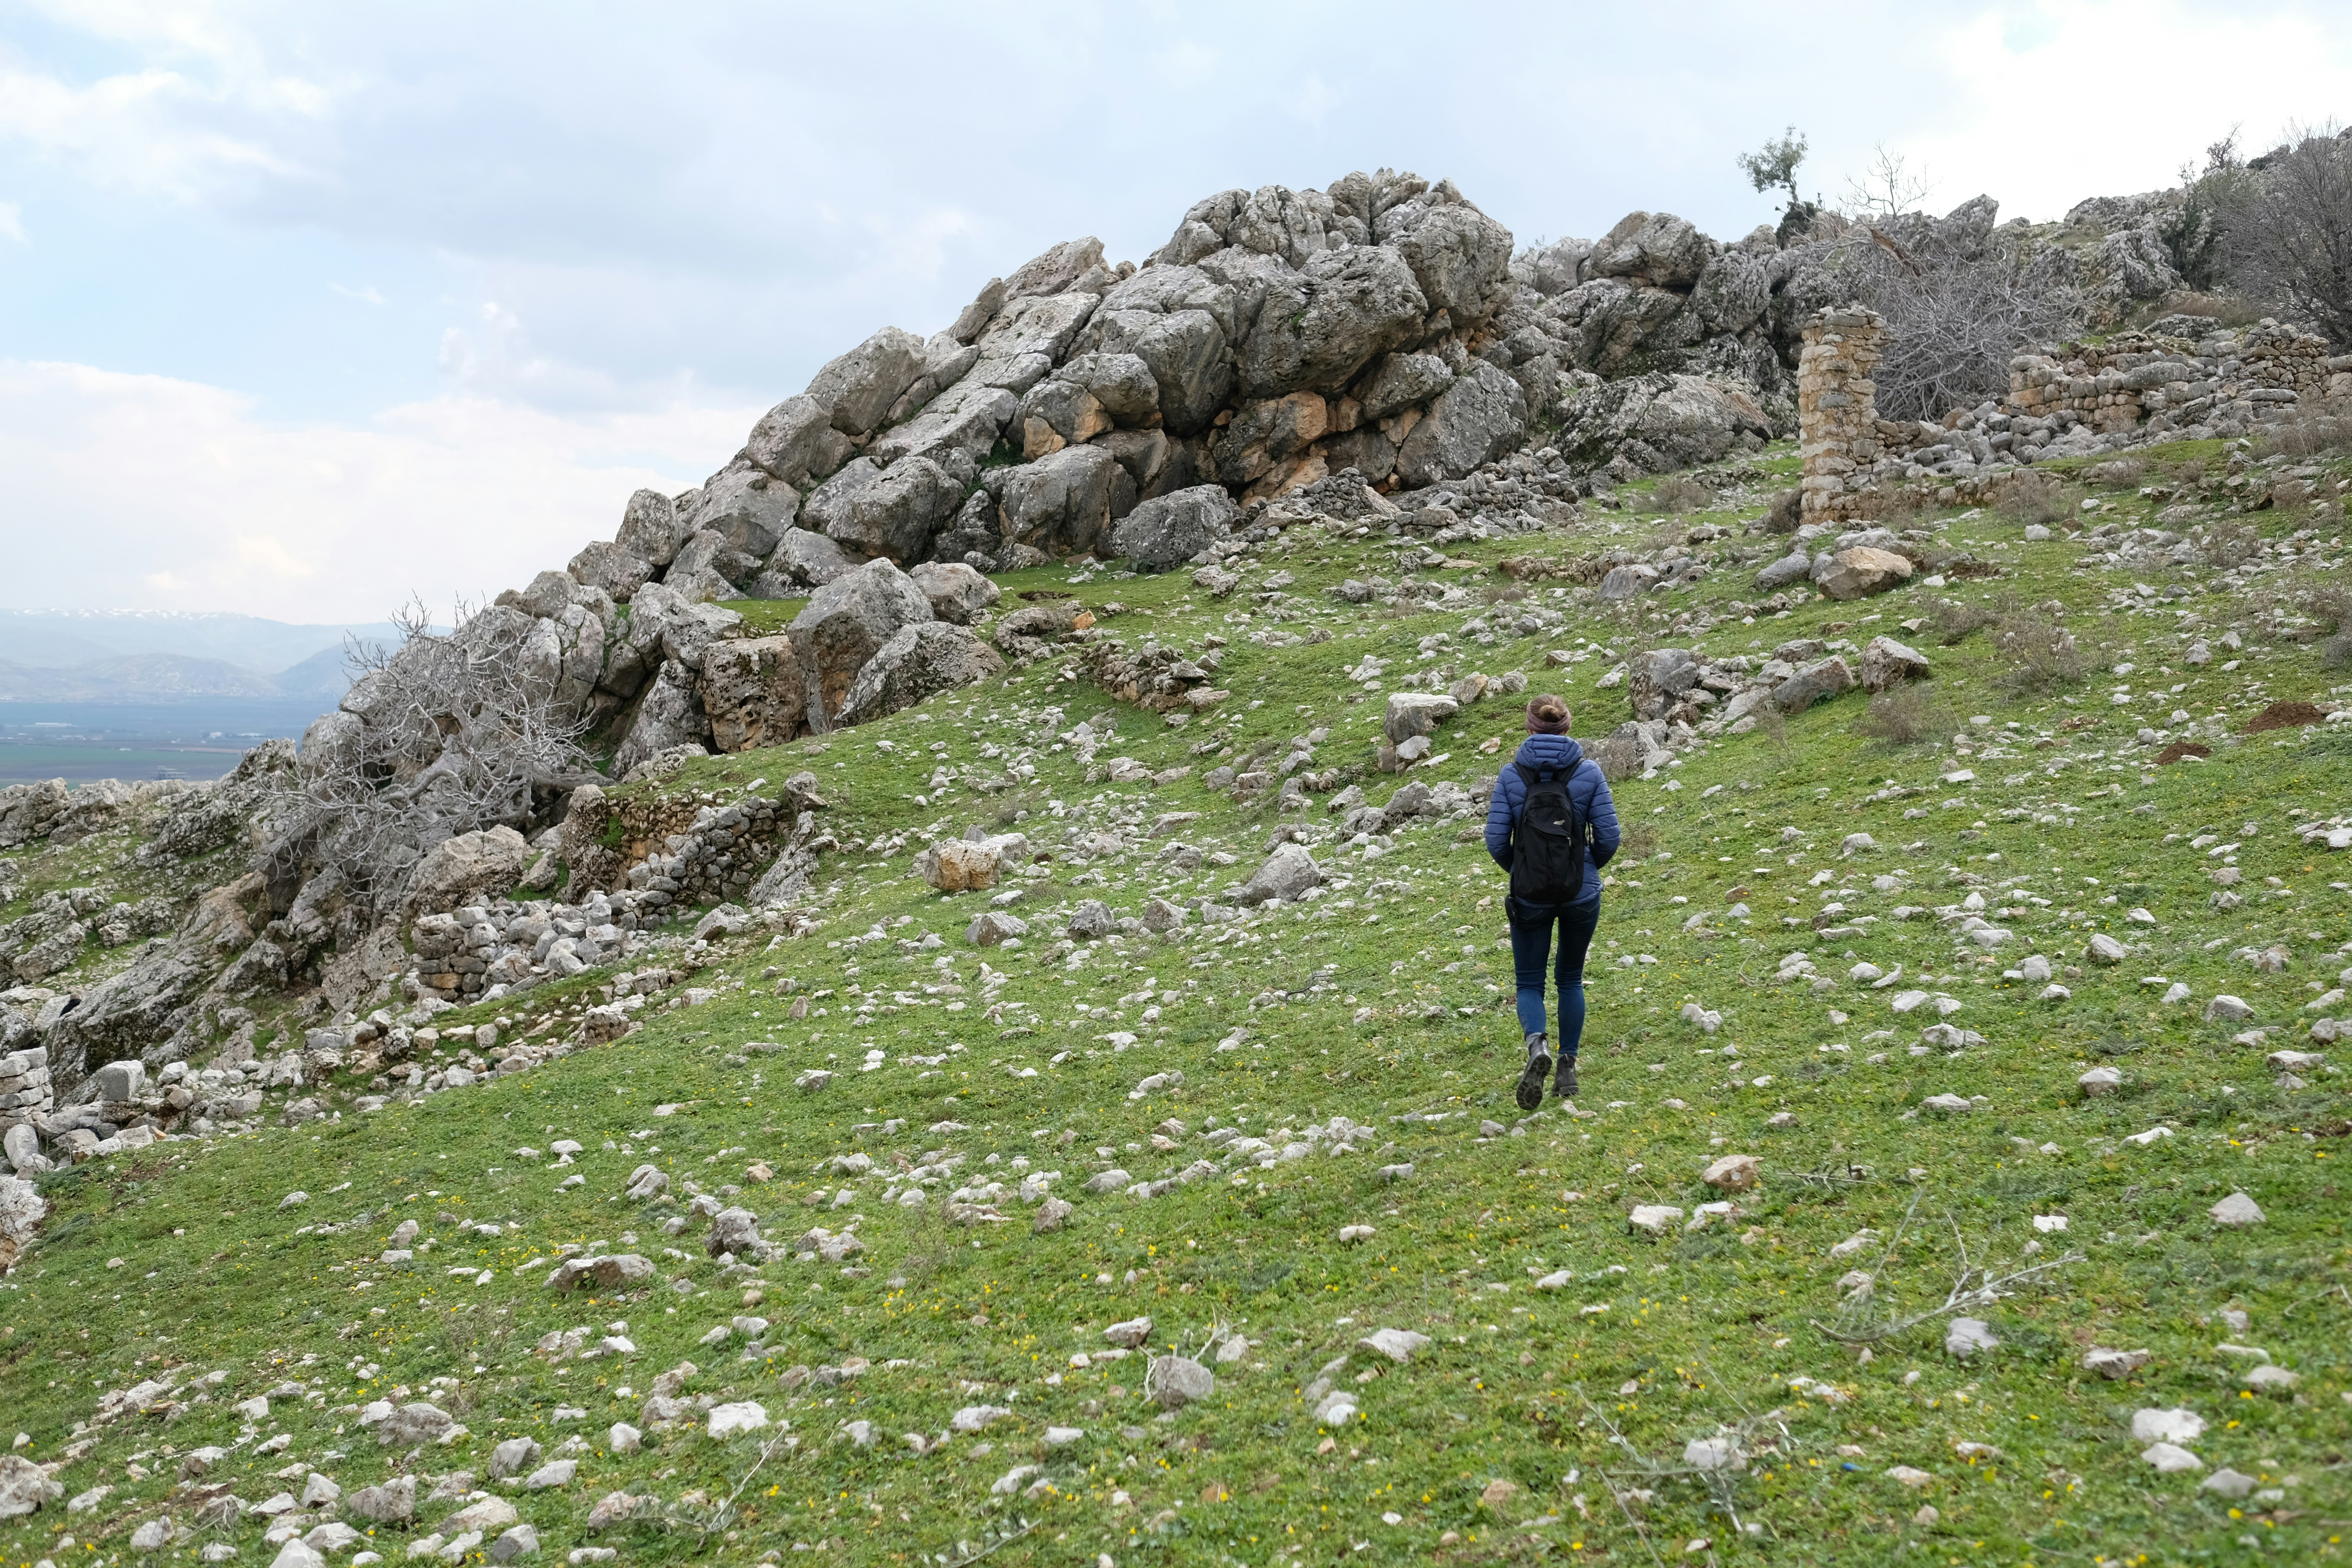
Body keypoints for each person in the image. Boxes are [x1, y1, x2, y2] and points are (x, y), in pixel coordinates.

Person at [1484, 694, 1621, 1109]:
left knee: (1530, 982)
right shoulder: (1589, 771)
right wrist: (1584, 870)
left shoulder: (1511, 775)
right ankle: (1567, 1069)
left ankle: (1537, 1044)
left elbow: (1495, 841)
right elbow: (1610, 838)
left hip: (1530, 897)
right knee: (1570, 978)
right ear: (1567, 727)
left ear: (1529, 728)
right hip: (1581, 893)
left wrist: (1523, 872)